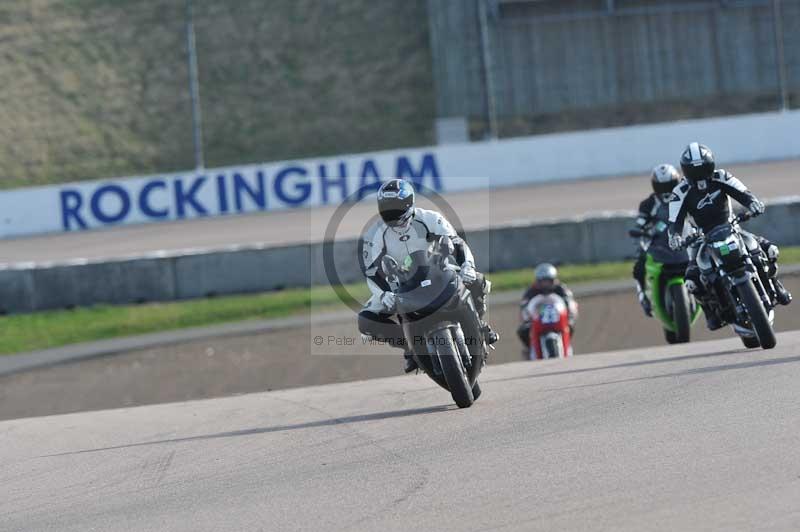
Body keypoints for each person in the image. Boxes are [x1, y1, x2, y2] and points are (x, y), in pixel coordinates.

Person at [357, 179, 499, 373]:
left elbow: (457, 243)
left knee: (478, 281)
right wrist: (384, 294)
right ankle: (410, 346)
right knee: (366, 320)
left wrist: (467, 265)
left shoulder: (430, 218)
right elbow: (371, 272)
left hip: (438, 271)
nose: (392, 214)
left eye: (396, 208)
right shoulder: (374, 234)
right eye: (386, 208)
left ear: (409, 203)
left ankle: (480, 325)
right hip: (399, 284)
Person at [667, 142, 792, 329]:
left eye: (703, 168)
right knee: (692, 281)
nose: (701, 175)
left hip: (731, 227)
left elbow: (743, 193)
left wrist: (753, 203)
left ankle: (774, 283)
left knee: (768, 250)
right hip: (700, 238)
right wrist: (675, 237)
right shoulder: (680, 192)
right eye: (696, 171)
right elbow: (674, 222)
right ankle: (711, 313)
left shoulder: (721, 176)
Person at [630, 164, 686, 316]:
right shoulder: (648, 204)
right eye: (662, 186)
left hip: (685, 240)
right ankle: (643, 296)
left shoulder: (685, 195)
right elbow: (641, 221)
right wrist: (640, 229)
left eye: (668, 184)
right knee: (640, 261)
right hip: (660, 244)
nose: (666, 189)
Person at [516, 263, 577, 348]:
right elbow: (524, 306)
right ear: (538, 281)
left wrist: (570, 316)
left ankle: (566, 345)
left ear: (553, 280)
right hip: (538, 321)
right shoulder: (531, 291)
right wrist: (527, 319)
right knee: (523, 331)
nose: (545, 284)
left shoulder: (561, 289)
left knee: (570, 327)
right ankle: (530, 350)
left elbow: (569, 302)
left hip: (557, 320)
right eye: (543, 281)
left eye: (548, 281)